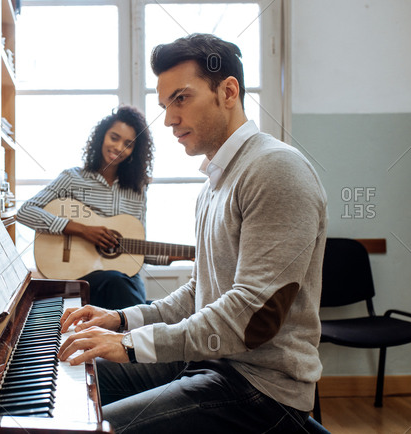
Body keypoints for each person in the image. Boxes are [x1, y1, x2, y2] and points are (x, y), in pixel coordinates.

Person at [58, 33, 328, 433]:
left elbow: (252, 317)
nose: (167, 119)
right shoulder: (213, 185)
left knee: (91, 428)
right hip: (209, 363)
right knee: (72, 376)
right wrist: (120, 320)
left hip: (259, 392)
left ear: (228, 91)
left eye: (180, 99)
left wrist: (131, 346)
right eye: (165, 104)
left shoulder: (275, 170)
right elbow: (198, 293)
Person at [17, 105, 172, 309]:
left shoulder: (137, 189)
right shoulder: (72, 178)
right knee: (120, 287)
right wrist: (82, 230)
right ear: (102, 137)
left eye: (128, 144)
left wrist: (170, 256)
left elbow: (134, 247)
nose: (118, 148)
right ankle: (139, 335)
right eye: (114, 137)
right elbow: (25, 212)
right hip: (79, 276)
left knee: (125, 285)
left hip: (124, 280)